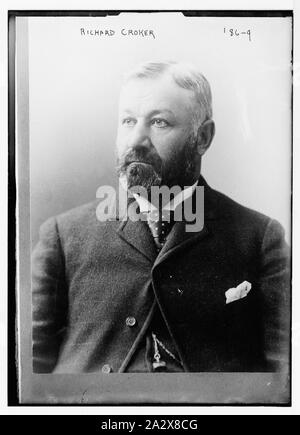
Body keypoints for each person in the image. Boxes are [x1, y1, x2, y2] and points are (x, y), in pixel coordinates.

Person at [31, 61, 290, 374]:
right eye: (128, 121)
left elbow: (284, 377)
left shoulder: (259, 238)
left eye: (160, 123)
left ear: (203, 137)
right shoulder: (63, 236)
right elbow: (28, 371)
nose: (136, 140)